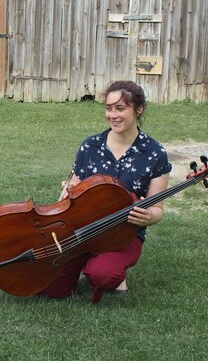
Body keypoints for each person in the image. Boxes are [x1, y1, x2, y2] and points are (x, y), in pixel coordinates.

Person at [42, 80, 171, 303]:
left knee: (103, 275)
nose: (113, 115)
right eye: (109, 108)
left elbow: (157, 208)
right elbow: (69, 195)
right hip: (82, 228)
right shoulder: (90, 146)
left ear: (138, 109)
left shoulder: (154, 152)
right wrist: (68, 192)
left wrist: (148, 216)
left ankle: (106, 268)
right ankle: (85, 260)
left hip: (123, 234)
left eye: (120, 108)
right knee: (50, 287)